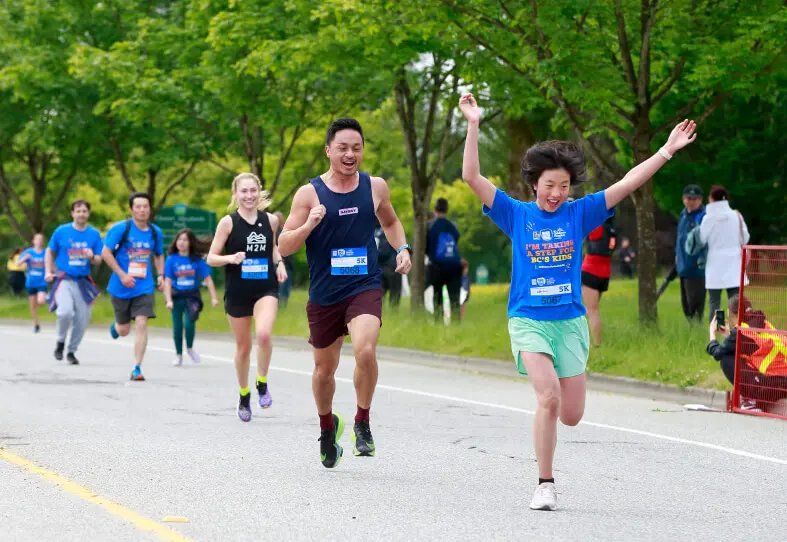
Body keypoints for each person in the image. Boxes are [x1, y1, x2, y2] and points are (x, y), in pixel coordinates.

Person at [459, 92, 696, 511]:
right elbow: (472, 178)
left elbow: (625, 184)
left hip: (570, 321)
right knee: (547, 397)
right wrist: (474, 124)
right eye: (549, 185)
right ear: (534, 184)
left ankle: (550, 453)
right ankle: (545, 483)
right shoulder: (516, 213)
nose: (556, 193)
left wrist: (665, 151)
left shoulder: (579, 212)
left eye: (564, 186)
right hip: (528, 319)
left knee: (571, 415)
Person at [279, 117, 412, 469]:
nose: (350, 154)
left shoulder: (375, 187)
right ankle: (327, 429)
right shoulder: (309, 193)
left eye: (357, 147)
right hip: (325, 292)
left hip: (363, 284)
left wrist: (403, 249)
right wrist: (309, 224)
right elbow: (284, 246)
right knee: (325, 370)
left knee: (365, 350)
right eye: (343, 148)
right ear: (328, 151)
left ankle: (362, 421)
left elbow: (391, 222)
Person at [207, 173, 287, 422]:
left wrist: (280, 262)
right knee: (243, 348)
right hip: (238, 290)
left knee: (263, 334)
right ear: (236, 194)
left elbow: (271, 248)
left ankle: (262, 381)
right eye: (244, 191)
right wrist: (230, 258)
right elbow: (211, 257)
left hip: (265, 287)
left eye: (253, 190)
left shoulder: (271, 220)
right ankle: (244, 394)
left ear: (259, 191)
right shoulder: (227, 223)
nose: (249, 196)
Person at [102, 192, 164, 381]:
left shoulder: (155, 232)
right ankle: (117, 325)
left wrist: (161, 275)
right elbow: (105, 253)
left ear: (149, 209)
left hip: (144, 285)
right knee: (123, 330)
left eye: (145, 206)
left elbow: (158, 254)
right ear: (131, 209)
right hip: (121, 286)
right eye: (138, 207)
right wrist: (122, 275)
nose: (142, 210)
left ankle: (137, 367)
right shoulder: (121, 229)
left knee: (141, 323)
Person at [45, 200, 104, 364]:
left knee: (82, 319)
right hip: (64, 279)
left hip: (83, 282)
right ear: (72, 213)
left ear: (88, 214)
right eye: (78, 211)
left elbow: (99, 259)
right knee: (65, 312)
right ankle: (60, 341)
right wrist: (48, 271)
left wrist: (92, 256)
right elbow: (50, 251)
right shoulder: (62, 231)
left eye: (85, 211)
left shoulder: (94, 234)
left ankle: (71, 351)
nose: (81, 214)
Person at [707, 295, 787, 413]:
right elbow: (751, 346)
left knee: (726, 358)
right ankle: (755, 399)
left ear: (735, 315)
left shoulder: (740, 331)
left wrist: (712, 334)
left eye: (730, 315)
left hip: (772, 385)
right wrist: (729, 335)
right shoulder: (762, 322)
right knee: (734, 353)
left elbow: (717, 354)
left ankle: (752, 401)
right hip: (783, 383)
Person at [164, 228, 219, 366]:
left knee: (189, 323)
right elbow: (168, 281)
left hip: (192, 296)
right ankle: (178, 354)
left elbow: (208, 279)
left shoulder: (196, 260)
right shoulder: (171, 260)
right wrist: (169, 300)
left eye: (185, 240)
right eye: (179, 240)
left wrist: (214, 297)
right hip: (177, 296)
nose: (181, 243)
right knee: (177, 326)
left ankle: (189, 348)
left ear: (190, 243)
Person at [700, 185, 750, 322]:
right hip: (734, 263)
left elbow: (702, 239)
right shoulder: (736, 216)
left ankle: (717, 332)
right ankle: (735, 334)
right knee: (734, 303)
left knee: (715, 303)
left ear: (711, 198)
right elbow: (744, 238)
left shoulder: (707, 218)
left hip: (714, 264)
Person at [581, 216, 617, 346]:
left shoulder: (596, 226)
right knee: (593, 310)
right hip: (604, 272)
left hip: (591, 270)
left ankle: (596, 345)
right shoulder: (611, 229)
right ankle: (593, 342)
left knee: (592, 311)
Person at [426, 198, 462, 322]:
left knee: (437, 296)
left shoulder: (430, 226)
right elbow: (456, 239)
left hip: (436, 267)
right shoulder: (453, 225)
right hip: (454, 266)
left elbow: (425, 247)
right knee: (454, 298)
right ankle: (456, 323)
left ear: (435, 210)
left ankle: (438, 322)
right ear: (447, 210)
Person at [676, 184, 707, 322]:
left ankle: (696, 330)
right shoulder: (683, 215)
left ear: (701, 200)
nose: (692, 201)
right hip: (683, 266)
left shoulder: (704, 216)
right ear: (683, 199)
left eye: (695, 198)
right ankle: (691, 329)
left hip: (697, 267)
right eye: (689, 198)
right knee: (686, 305)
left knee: (695, 303)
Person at [18, 234, 48, 333]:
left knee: (41, 301)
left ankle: (49, 297)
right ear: (33, 241)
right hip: (31, 282)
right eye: (37, 239)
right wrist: (25, 259)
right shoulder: (28, 252)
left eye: (41, 239)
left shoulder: (45, 252)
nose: (39, 241)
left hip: (42, 281)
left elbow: (51, 264)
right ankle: (36, 325)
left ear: (43, 242)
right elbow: (18, 264)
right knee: (33, 306)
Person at [375, 220, 401, 307]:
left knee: (381, 295)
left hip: (381, 267)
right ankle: (393, 314)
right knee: (395, 295)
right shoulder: (391, 229)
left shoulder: (375, 232)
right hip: (393, 266)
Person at [273, 211, 294, 308]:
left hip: (275, 262)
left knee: (278, 284)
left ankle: (278, 302)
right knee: (285, 285)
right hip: (286, 262)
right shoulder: (285, 232)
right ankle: (282, 302)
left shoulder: (270, 233)